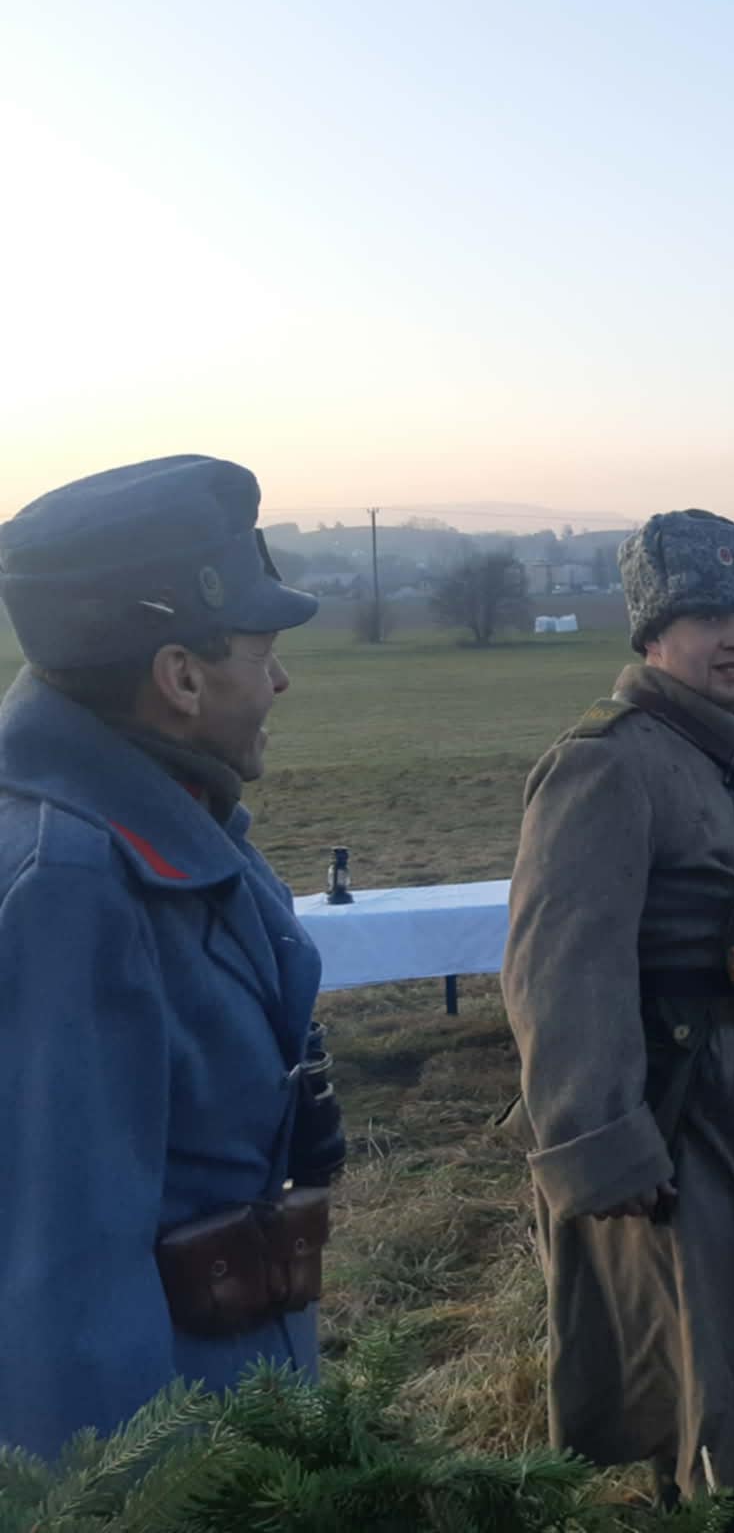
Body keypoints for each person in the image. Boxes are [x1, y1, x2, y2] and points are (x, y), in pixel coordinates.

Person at [502, 510, 734, 1532]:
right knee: (707, 1384)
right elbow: (557, 972)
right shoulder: (608, 762)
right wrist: (600, 1145)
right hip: (689, 1121)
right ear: (651, 631)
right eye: (706, 615)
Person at [0, 456, 345, 1458]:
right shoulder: (73, 888)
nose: (280, 679)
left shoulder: (170, 820)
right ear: (180, 678)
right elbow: (61, 1293)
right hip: (176, 1452)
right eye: (262, 650)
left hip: (236, 1402)